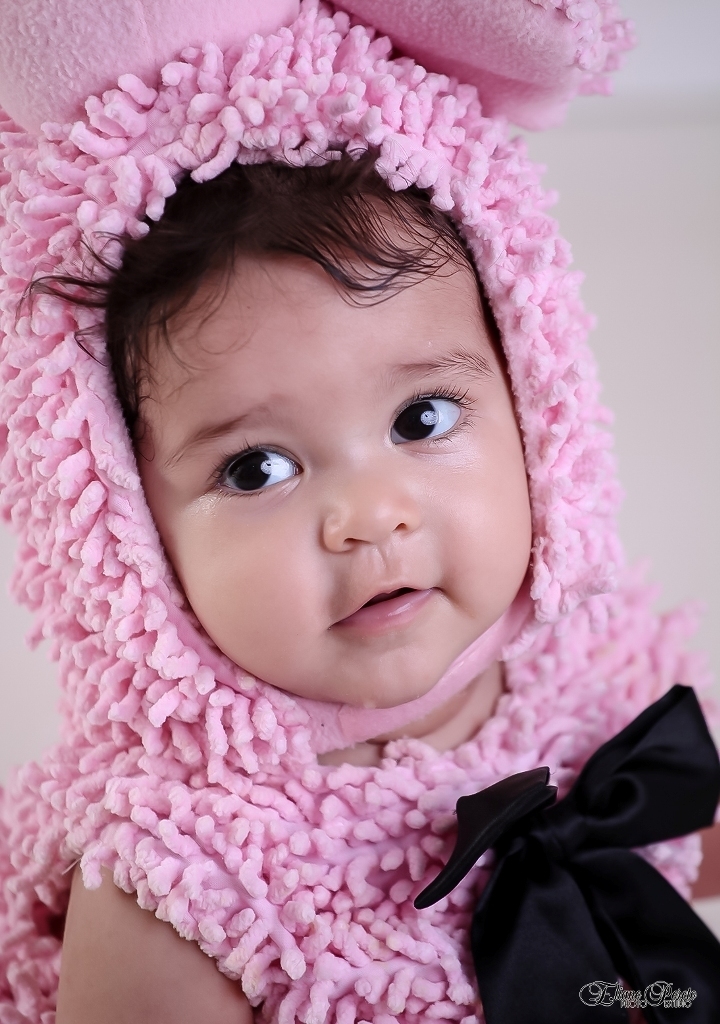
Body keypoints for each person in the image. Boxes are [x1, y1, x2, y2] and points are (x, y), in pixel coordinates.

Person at [0, 2, 717, 1022]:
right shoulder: (174, 884)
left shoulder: (603, 671)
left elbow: (684, 855)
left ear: (532, 396)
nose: (369, 517)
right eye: (256, 468)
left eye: (423, 417)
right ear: (124, 535)